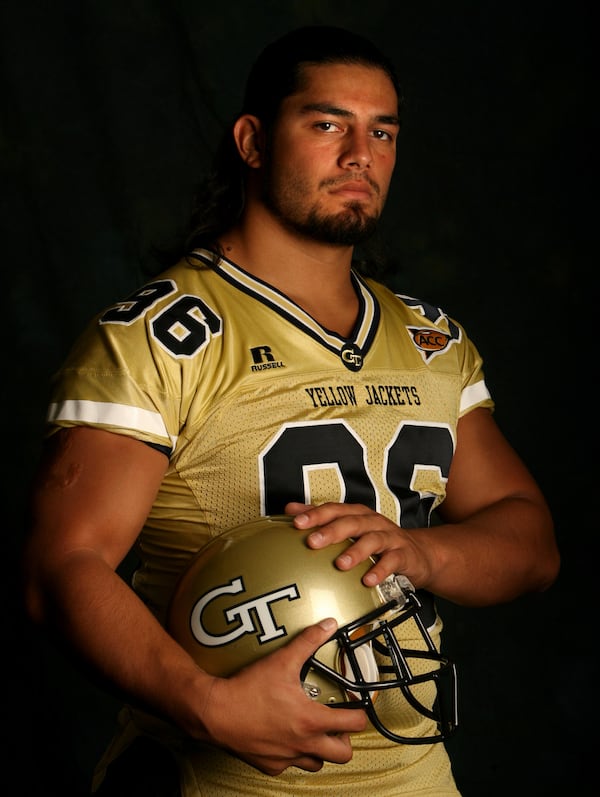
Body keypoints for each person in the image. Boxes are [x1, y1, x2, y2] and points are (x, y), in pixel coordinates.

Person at [22, 24, 560, 797]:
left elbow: (530, 538)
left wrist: (421, 552)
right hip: (223, 777)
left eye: (382, 132)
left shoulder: (431, 338)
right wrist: (207, 703)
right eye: (327, 123)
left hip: (416, 772)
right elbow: (61, 565)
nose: (360, 155)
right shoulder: (159, 335)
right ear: (252, 140)